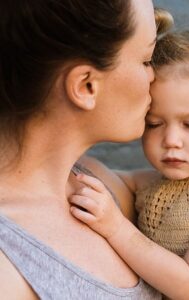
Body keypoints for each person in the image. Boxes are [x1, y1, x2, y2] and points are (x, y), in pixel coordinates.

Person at [69, 2, 189, 300]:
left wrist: (116, 227)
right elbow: (98, 173)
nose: (171, 139)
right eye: (155, 123)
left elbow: (188, 283)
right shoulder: (151, 184)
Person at [0, 0, 163, 299]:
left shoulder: (99, 184)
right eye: (147, 60)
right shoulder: (7, 269)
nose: (155, 77)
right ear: (86, 85)